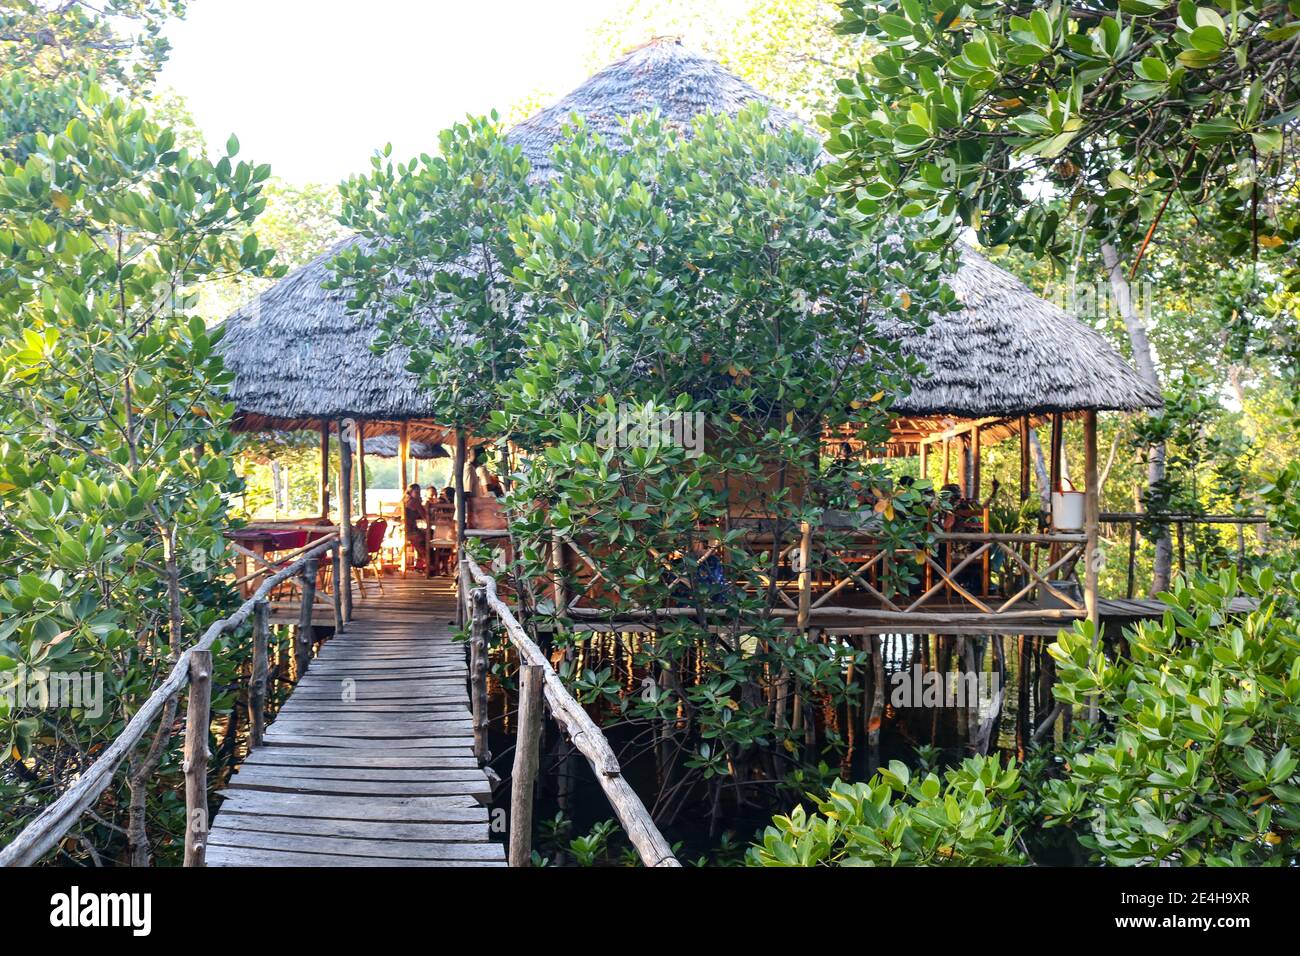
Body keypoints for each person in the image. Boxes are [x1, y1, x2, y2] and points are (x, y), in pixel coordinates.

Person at [403, 483, 427, 564]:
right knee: (428, 535)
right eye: (417, 493)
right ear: (410, 492)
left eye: (419, 492)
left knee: (425, 533)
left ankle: (420, 563)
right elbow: (425, 517)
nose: (419, 495)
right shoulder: (415, 502)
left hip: (400, 531)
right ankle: (428, 563)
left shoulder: (403, 501)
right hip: (410, 533)